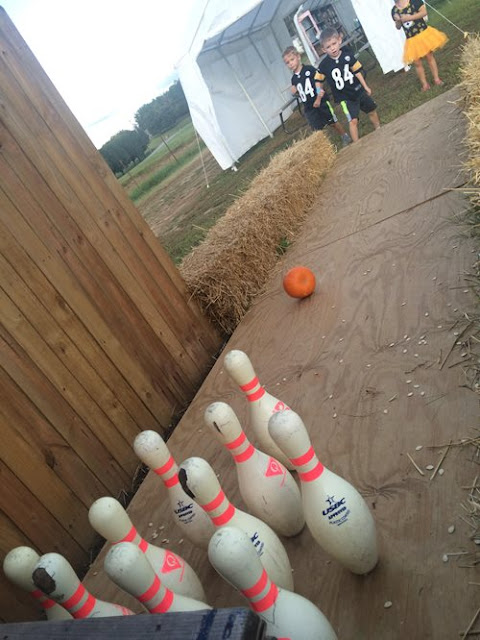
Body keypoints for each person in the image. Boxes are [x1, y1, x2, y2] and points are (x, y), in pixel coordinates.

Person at [316, 28, 380, 143]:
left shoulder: (348, 56)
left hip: (359, 91)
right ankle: (357, 144)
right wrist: (318, 91)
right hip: (345, 98)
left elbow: (357, 72)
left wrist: (365, 86)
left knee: (371, 110)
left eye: (334, 44)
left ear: (339, 40)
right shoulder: (324, 65)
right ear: (323, 49)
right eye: (328, 47)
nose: (332, 48)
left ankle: (379, 129)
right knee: (352, 121)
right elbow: (318, 79)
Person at [282, 46, 351, 147]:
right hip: (309, 107)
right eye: (287, 62)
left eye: (292, 60)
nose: (291, 63)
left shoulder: (309, 70)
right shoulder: (294, 79)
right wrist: (294, 92)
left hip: (321, 102)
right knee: (316, 129)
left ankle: (344, 135)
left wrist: (319, 96)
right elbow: (301, 93)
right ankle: (326, 147)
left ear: (298, 57)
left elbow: (319, 81)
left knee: (332, 121)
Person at [392, 0, 448, 92]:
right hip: (411, 39)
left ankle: (436, 79)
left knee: (429, 57)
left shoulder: (414, 1)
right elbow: (398, 27)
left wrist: (409, 18)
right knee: (417, 63)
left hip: (423, 34)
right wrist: (398, 21)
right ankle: (425, 84)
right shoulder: (394, 10)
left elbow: (424, 12)